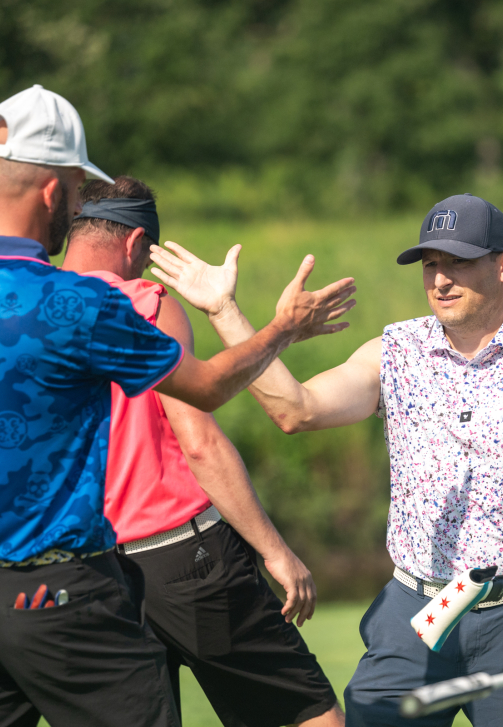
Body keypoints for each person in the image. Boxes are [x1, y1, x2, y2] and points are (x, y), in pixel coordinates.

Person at [0, 85, 354, 727]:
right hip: (65, 599)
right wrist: (283, 327)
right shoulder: (77, 305)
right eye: (77, 188)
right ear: (54, 191)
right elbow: (206, 391)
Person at [150, 193, 503, 726]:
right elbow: (296, 409)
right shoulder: (395, 351)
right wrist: (224, 311)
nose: (441, 280)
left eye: (458, 262)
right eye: (431, 265)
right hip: (414, 614)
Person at [61, 175, 345, 727]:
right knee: (312, 719)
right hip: (185, 560)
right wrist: (275, 550)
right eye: (146, 257)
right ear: (134, 242)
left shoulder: (33, 314)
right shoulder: (146, 304)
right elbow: (198, 441)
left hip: (94, 575)